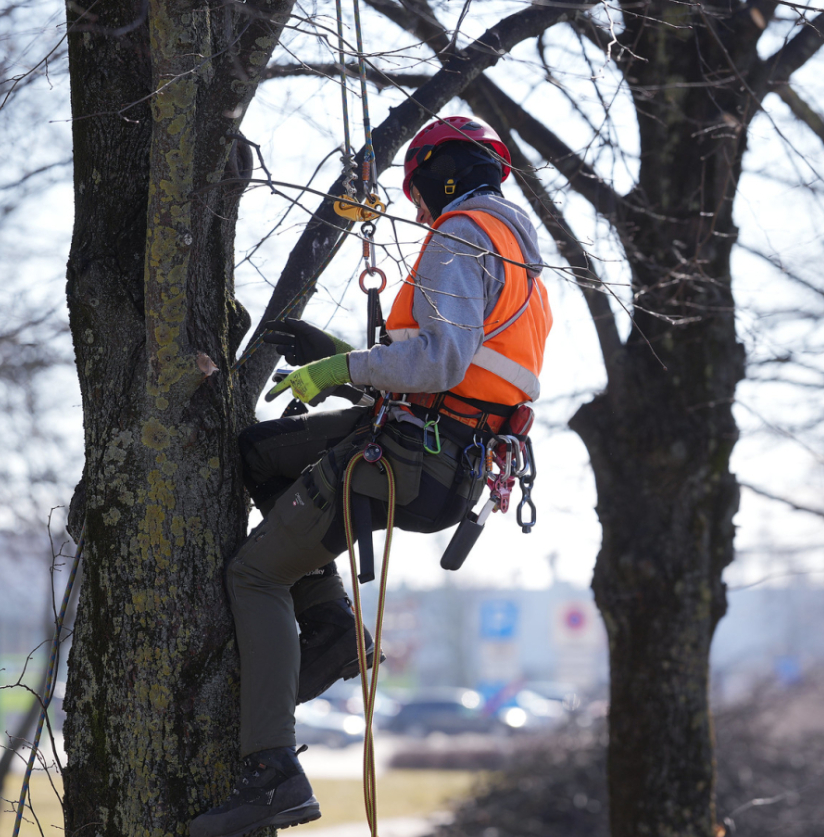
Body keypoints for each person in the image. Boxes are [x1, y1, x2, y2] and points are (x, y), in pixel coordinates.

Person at [189, 117, 553, 837]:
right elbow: (462, 379)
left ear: (439, 174)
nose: (415, 207)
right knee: (259, 455)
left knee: (256, 576)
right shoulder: (517, 256)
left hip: (414, 457)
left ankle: (272, 774)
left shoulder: (460, 234)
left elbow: (441, 364)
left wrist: (343, 367)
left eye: (416, 190)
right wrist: (344, 358)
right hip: (442, 453)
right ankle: (328, 628)